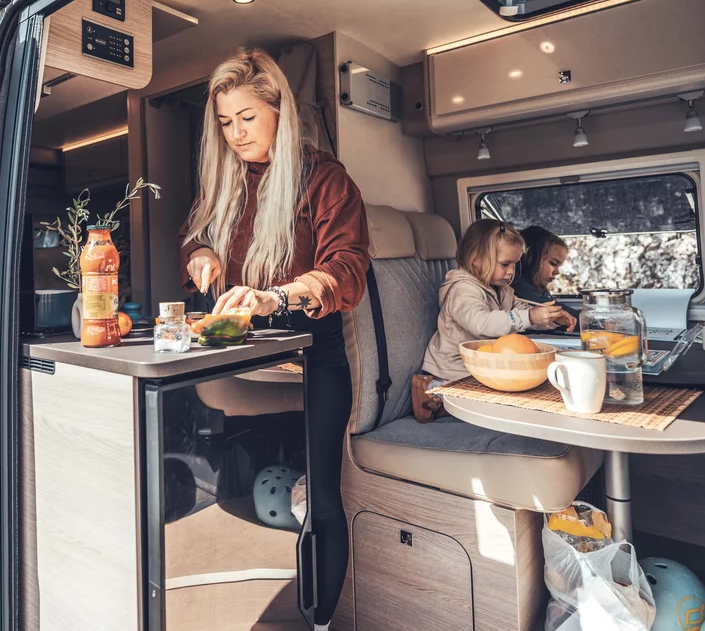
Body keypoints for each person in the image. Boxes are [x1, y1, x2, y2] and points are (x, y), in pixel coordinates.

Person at [180, 48, 370, 630]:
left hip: (314, 359)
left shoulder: (325, 179)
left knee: (321, 499)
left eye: (247, 118)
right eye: (225, 123)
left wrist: (278, 296)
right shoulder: (226, 183)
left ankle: (318, 621)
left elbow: (349, 267)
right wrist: (203, 256)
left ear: (279, 112)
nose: (235, 134)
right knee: (242, 476)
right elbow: (194, 238)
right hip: (243, 356)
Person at [409, 219, 575, 422]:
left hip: (480, 365)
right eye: (505, 264)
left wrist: (549, 317)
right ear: (475, 259)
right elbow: (481, 324)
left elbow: (519, 309)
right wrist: (529, 317)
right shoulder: (463, 289)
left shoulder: (500, 289)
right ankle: (433, 393)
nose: (511, 271)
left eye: (514, 264)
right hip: (453, 369)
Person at [511, 225, 575, 314]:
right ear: (531, 258)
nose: (557, 272)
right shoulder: (517, 287)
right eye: (553, 263)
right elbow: (553, 310)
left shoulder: (537, 287)